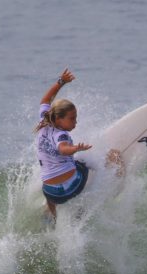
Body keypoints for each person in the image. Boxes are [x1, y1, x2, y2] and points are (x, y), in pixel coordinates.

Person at [34, 68, 92, 218]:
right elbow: (63, 149)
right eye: (72, 118)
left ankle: (51, 213)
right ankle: (81, 211)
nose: (76, 122)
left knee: (47, 181)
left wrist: (61, 82)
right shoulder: (61, 135)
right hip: (70, 189)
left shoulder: (43, 119)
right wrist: (75, 148)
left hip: (51, 193)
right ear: (59, 119)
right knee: (85, 165)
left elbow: (45, 100)